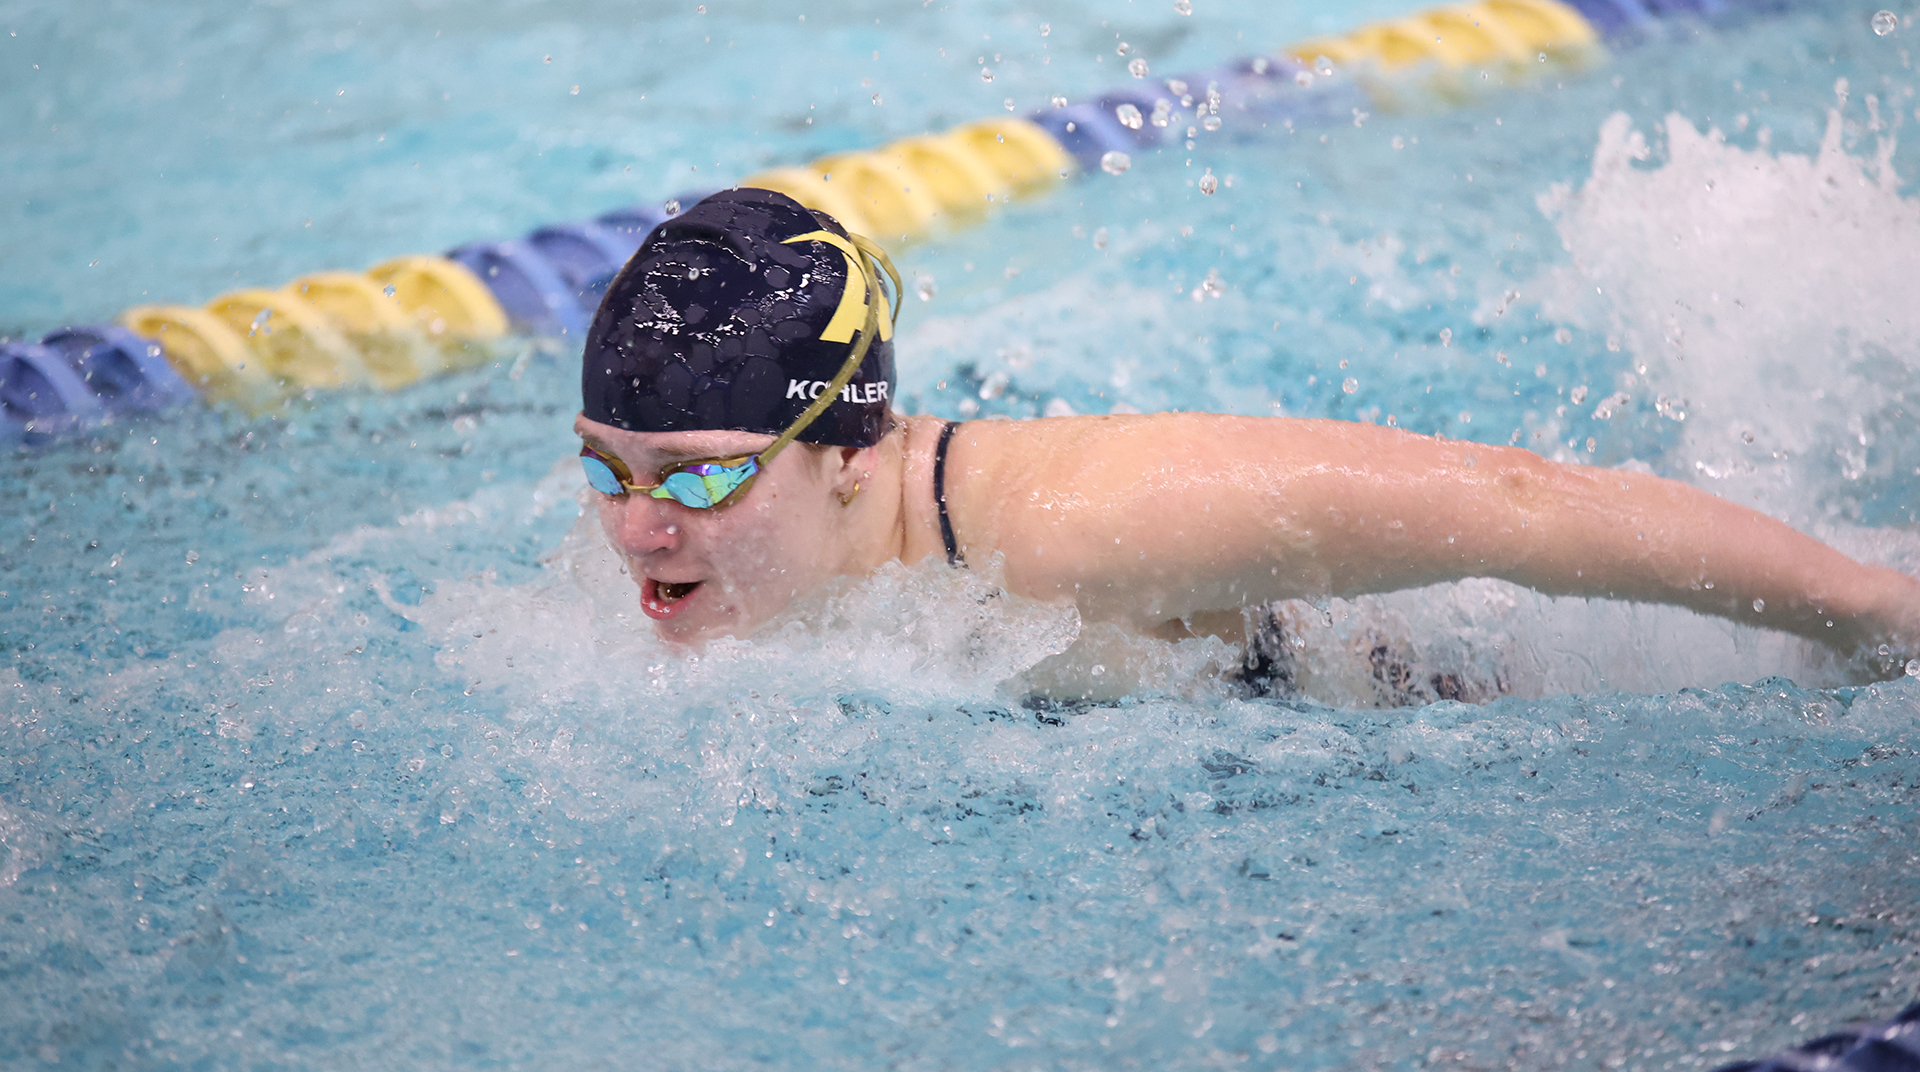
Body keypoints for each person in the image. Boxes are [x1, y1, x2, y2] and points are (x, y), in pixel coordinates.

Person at [573, 188, 1920, 682]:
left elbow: (1520, 505)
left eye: (698, 475)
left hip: (1528, 665)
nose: (640, 526)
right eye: (608, 470)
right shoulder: (713, 559)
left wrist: (1866, 609)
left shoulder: (1087, 530)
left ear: (848, 451)